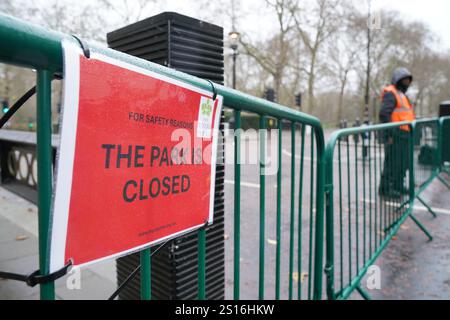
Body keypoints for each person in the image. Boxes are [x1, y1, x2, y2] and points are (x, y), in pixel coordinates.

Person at [378, 67, 416, 198]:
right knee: (392, 163)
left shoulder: (402, 94)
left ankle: (398, 185)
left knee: (403, 163)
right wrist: (389, 134)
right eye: (404, 79)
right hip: (395, 134)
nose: (407, 82)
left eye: (408, 80)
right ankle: (386, 188)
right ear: (397, 79)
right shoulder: (391, 93)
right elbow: (384, 114)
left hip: (404, 134)